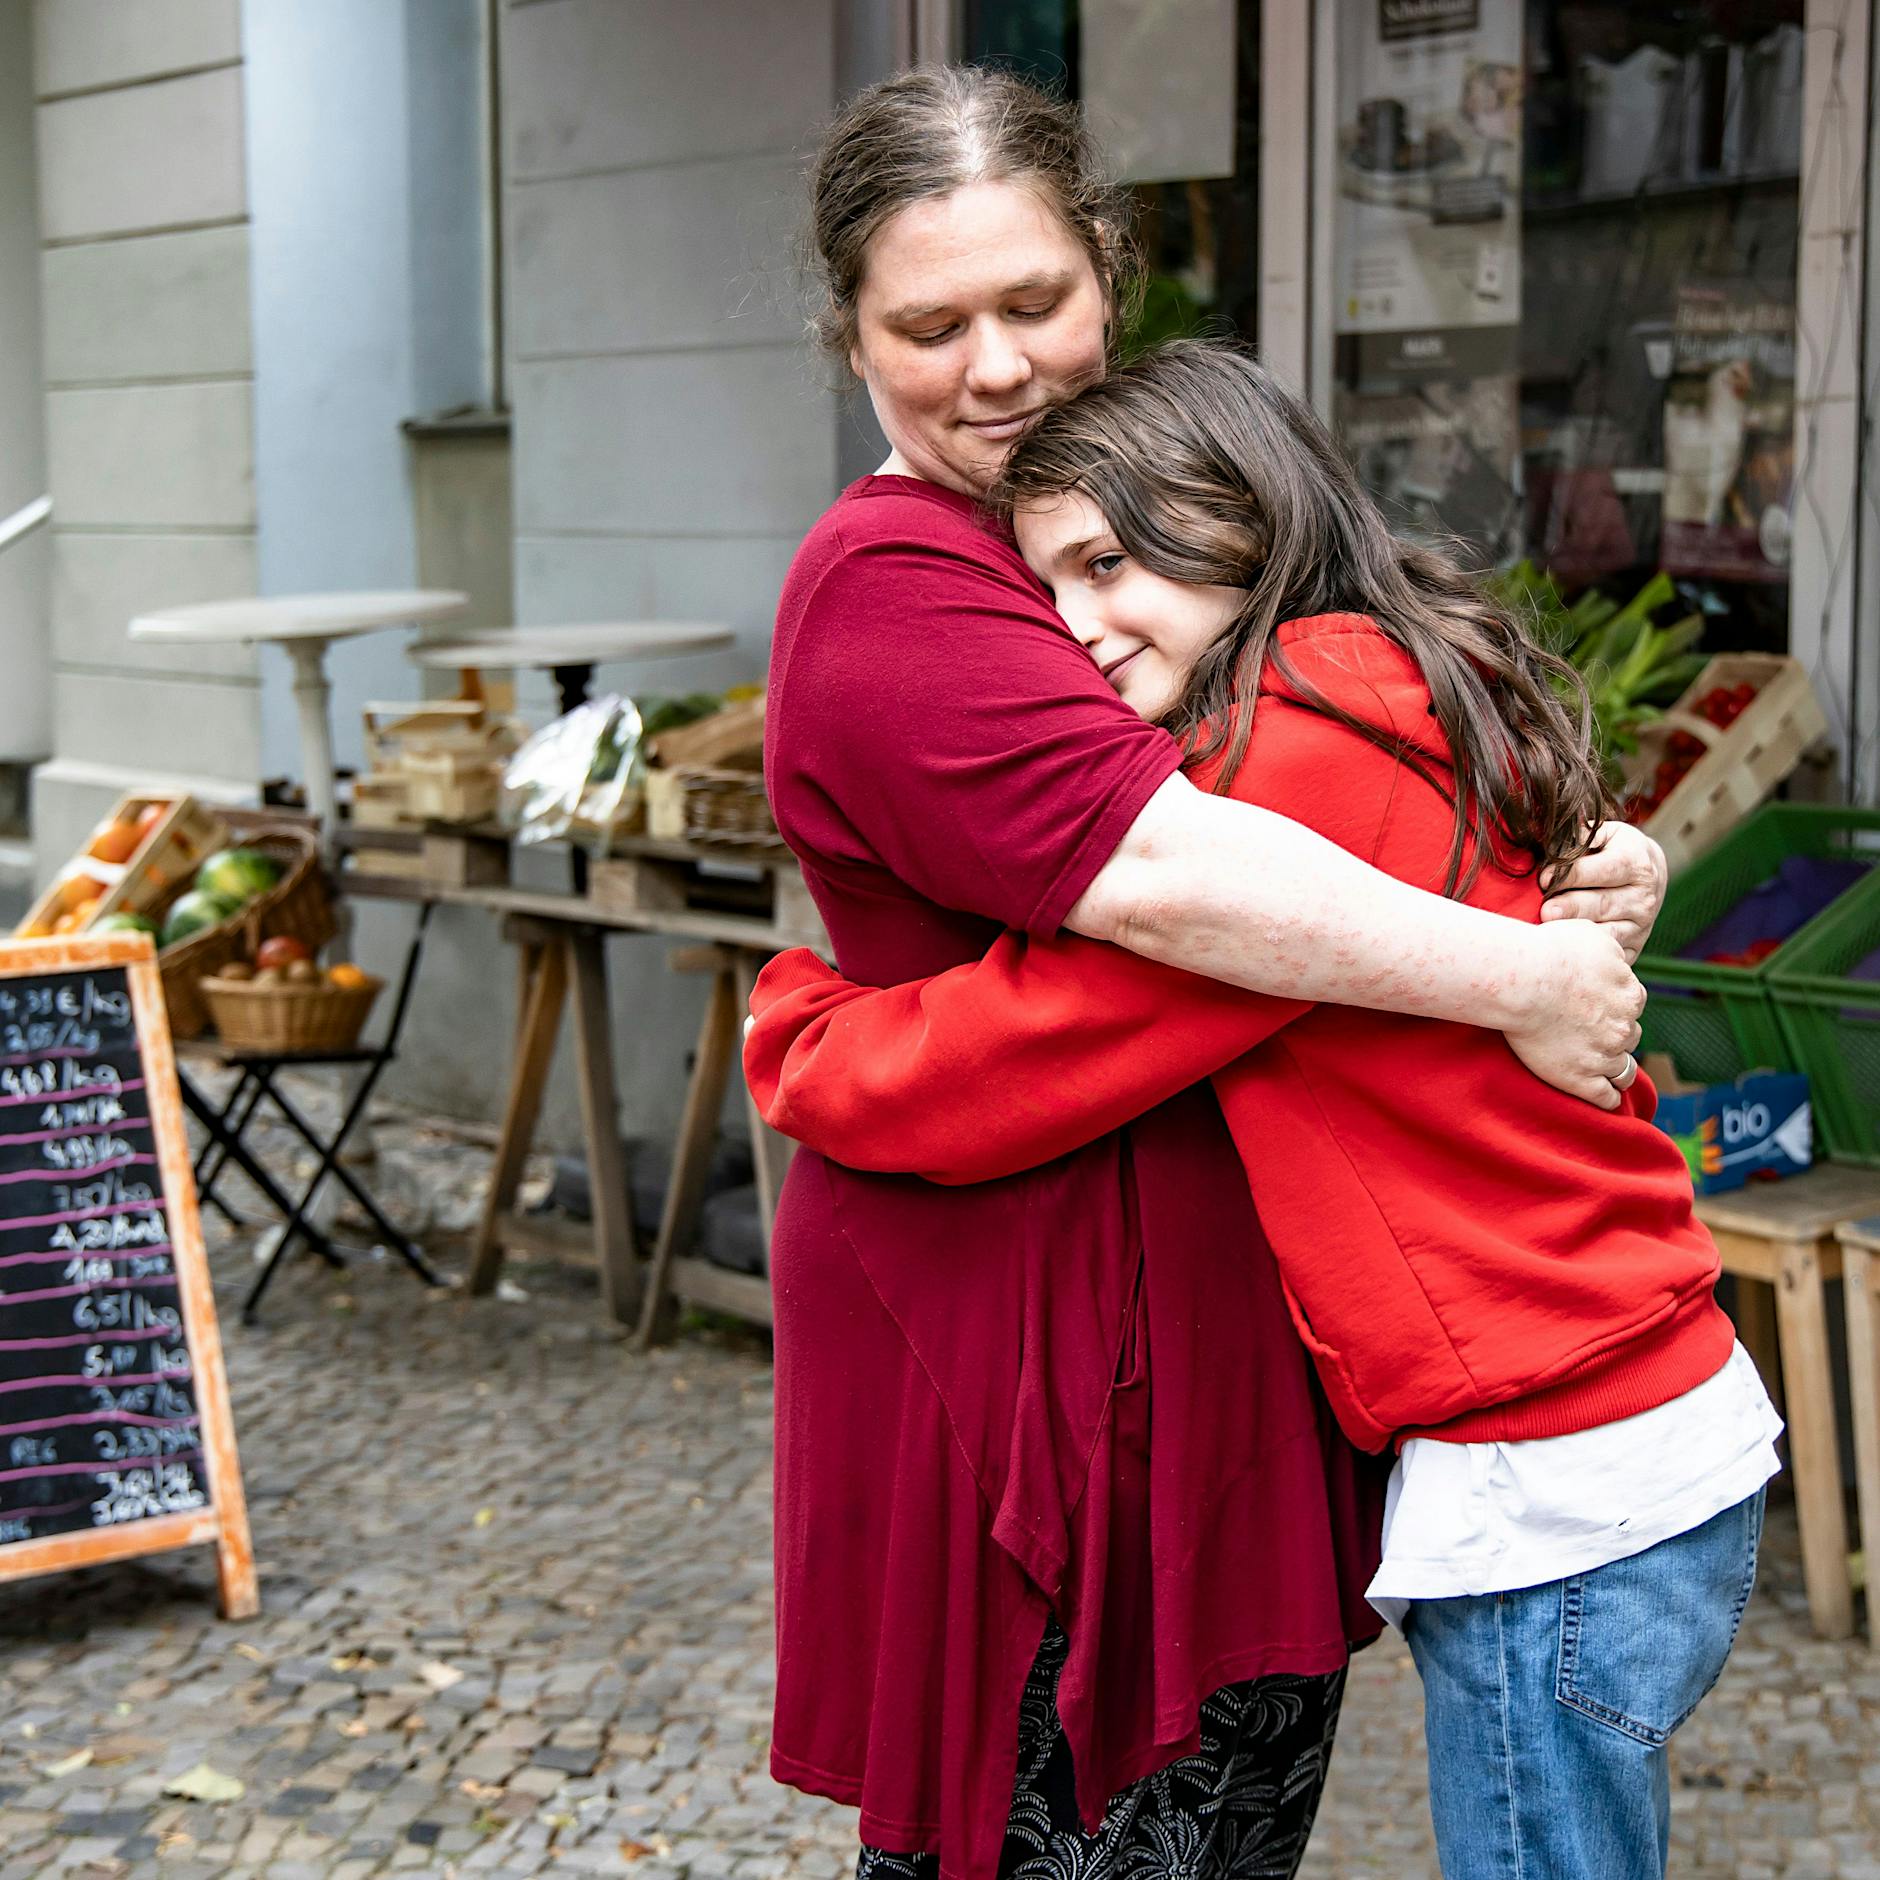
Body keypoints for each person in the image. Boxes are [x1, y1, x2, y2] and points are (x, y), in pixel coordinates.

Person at [765, 65, 1665, 1880]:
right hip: (1036, 1343)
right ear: (848, 337)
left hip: (1191, 1332)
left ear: (1111, 269)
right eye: (929, 326)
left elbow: (1344, 777)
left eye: (1034, 303)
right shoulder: (895, 589)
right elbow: (1184, 885)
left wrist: (1571, 850)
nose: (998, 367)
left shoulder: (1124, 508)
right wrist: (1517, 964)